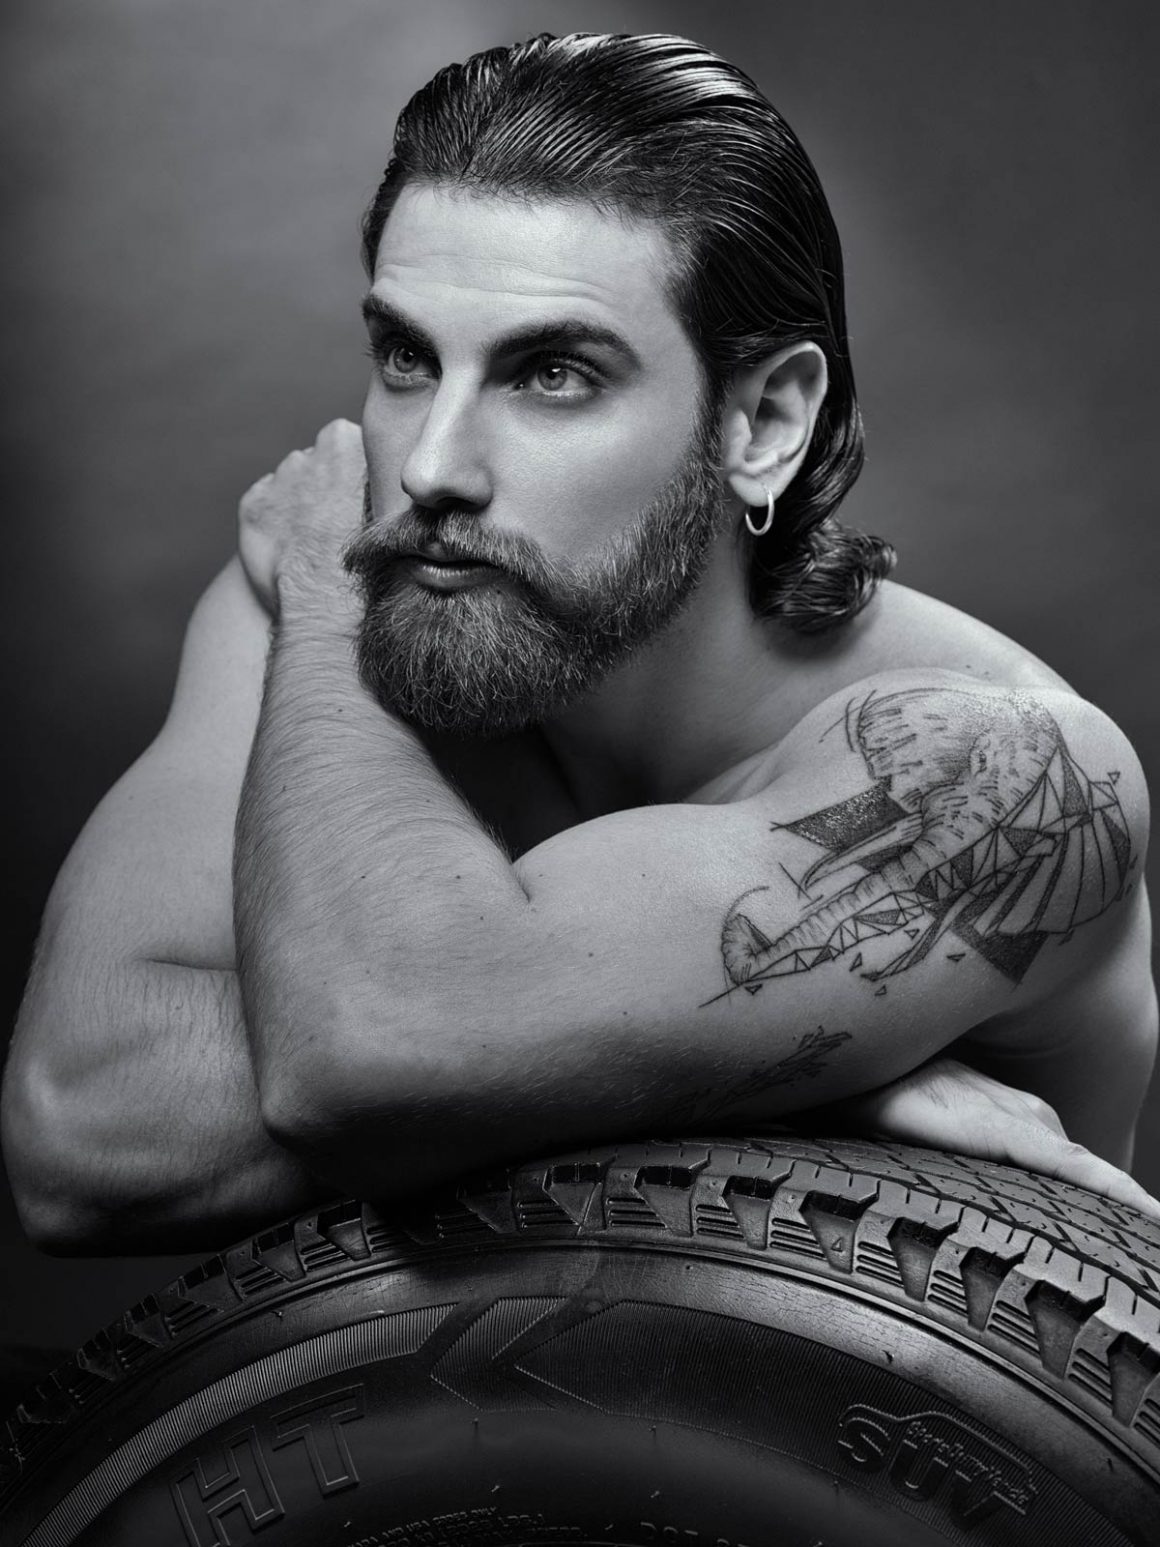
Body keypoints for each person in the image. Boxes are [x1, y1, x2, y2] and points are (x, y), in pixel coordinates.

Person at [3, 31, 1156, 1257]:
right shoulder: (346, 602)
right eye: (407, 357)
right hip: (464, 1386)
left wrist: (520, 1059)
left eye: (551, 373)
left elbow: (382, 1048)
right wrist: (773, 1077)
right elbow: (83, 1131)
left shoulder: (998, 768)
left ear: (762, 422)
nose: (430, 468)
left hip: (898, 1386)